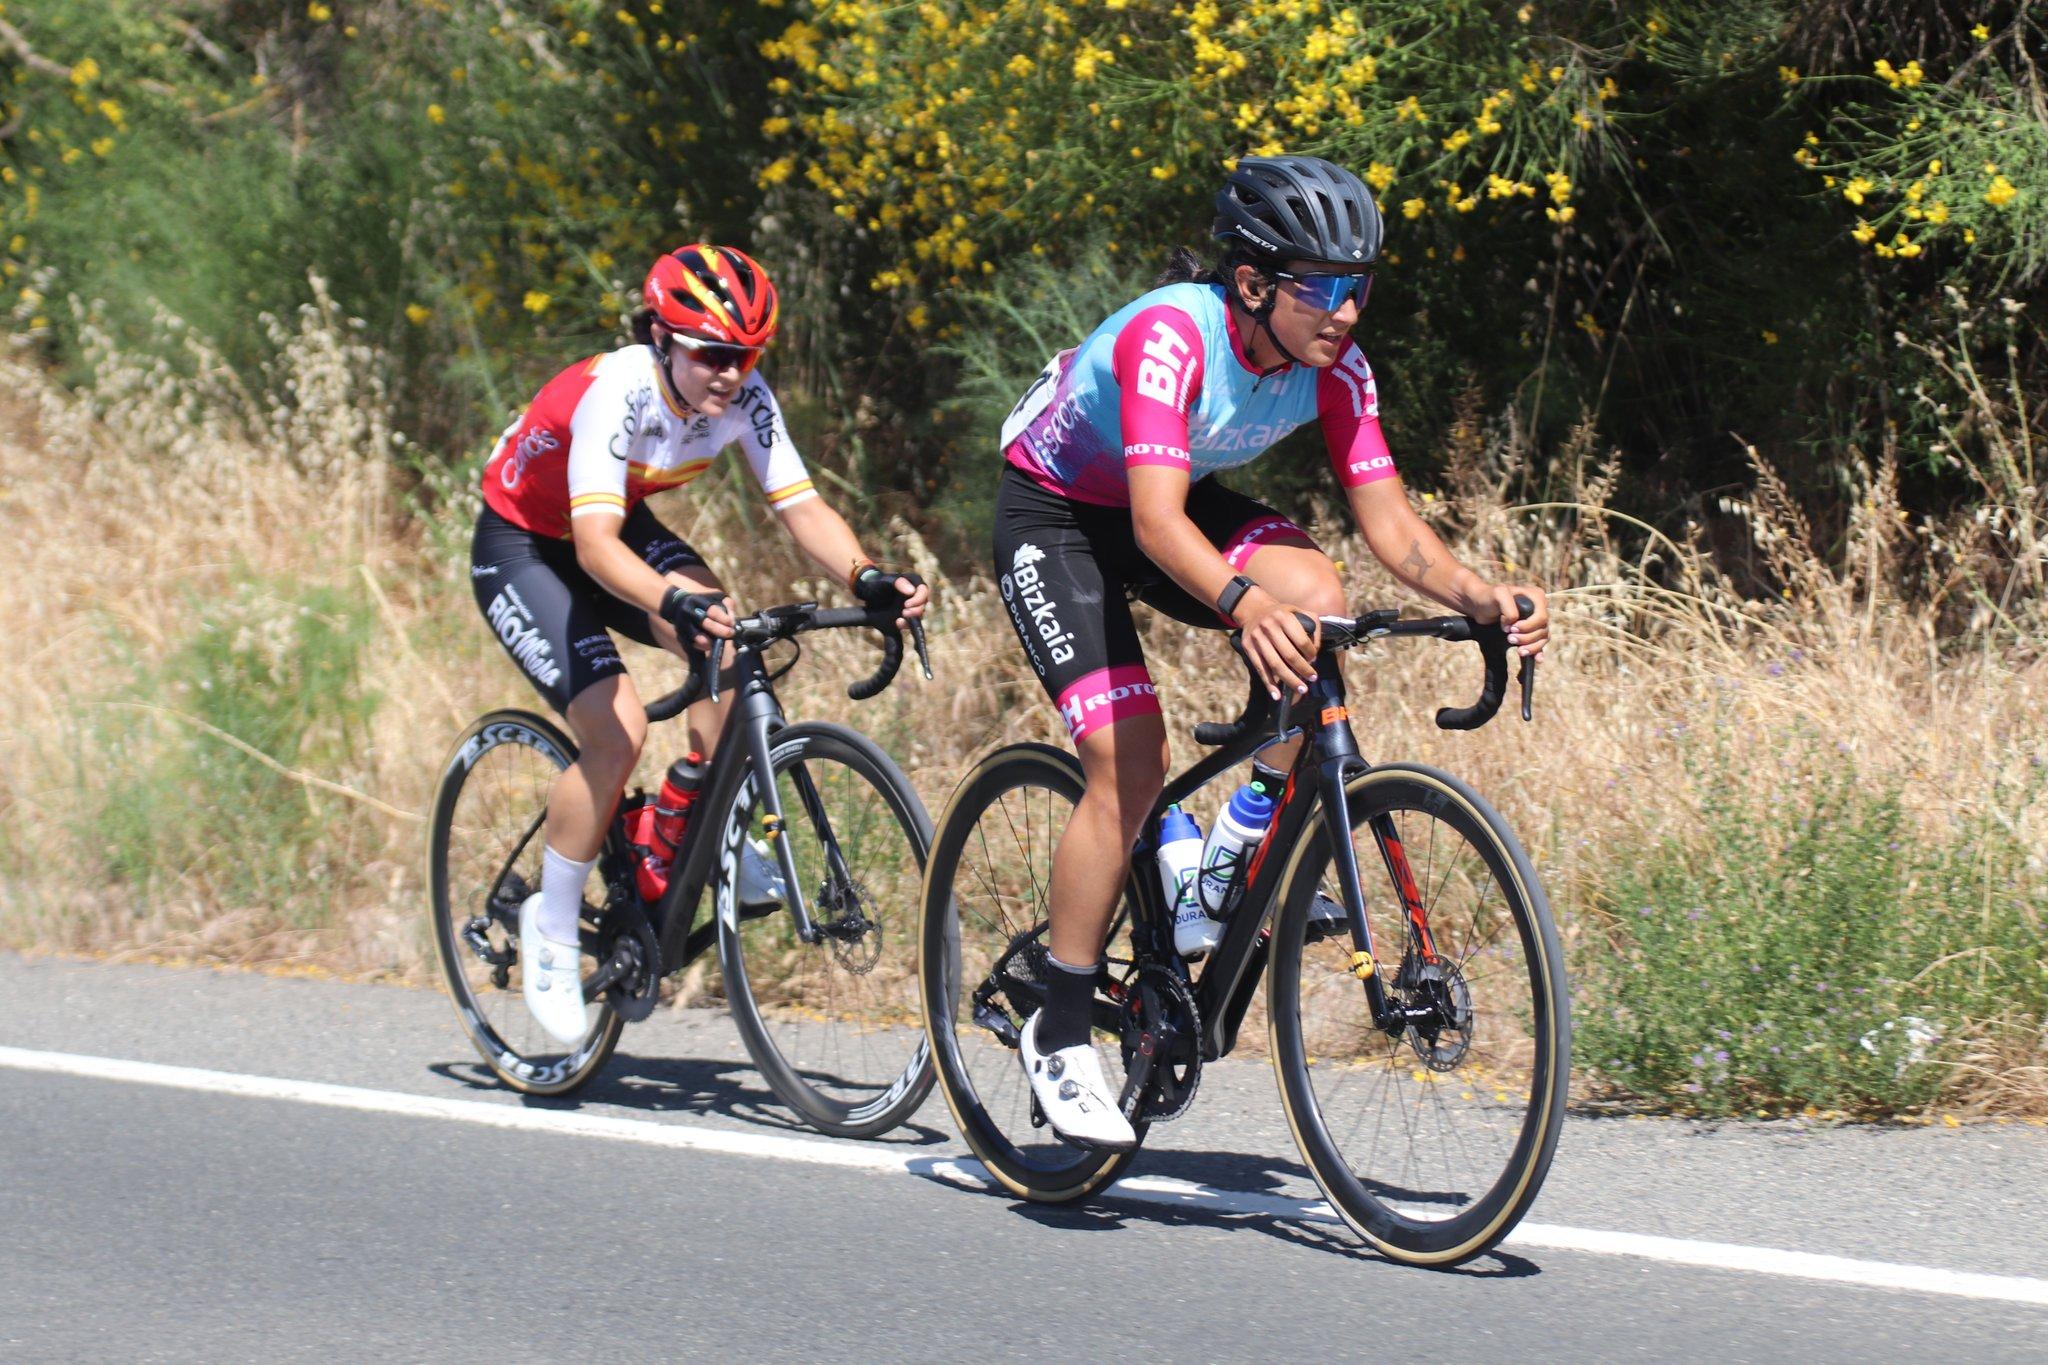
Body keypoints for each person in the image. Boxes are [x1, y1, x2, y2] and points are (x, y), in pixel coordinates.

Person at [994, 156, 1552, 1148]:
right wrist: (1241, 602)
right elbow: (1157, 525)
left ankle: (1225, 860)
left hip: (1169, 500)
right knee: (1129, 760)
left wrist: (1481, 598)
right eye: (1322, 288)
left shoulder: (1339, 367)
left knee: (1319, 602)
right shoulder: (1172, 337)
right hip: (1059, 513)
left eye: (1358, 287)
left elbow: (1391, 527)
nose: (1346, 312)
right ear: (1250, 284)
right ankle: (1060, 1023)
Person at [471, 244, 929, 1044]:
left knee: (727, 638)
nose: (729, 372)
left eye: (746, 355)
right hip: (525, 545)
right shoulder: (618, 390)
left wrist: (866, 577)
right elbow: (594, 549)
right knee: (617, 731)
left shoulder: (743, 395)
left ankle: (696, 827)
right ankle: (552, 927)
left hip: (613, 521)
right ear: (660, 336)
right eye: (711, 352)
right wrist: (671, 601)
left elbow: (801, 505)